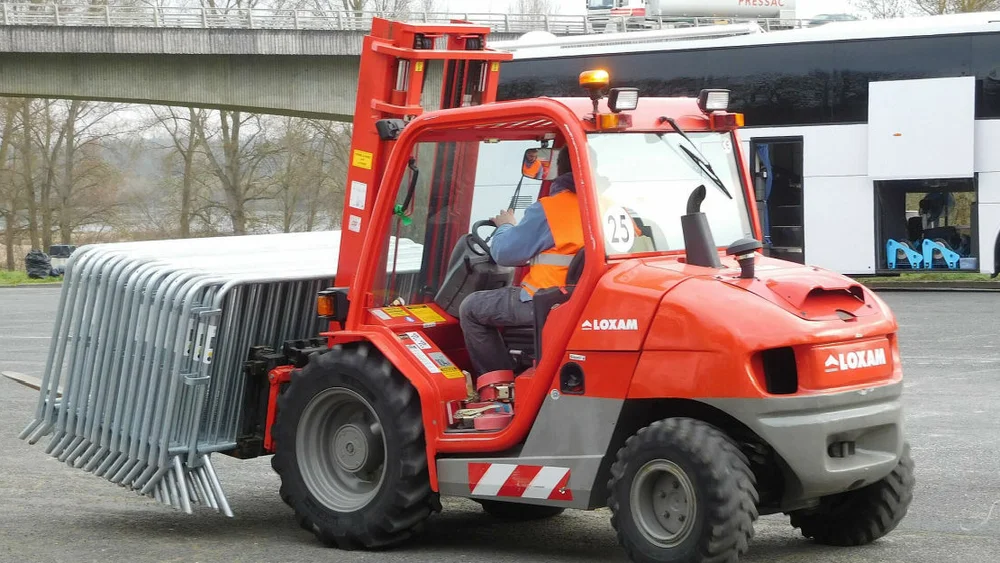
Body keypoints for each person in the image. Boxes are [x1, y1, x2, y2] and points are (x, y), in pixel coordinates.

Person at [459, 146, 583, 381]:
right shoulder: (609, 207)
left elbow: (504, 254)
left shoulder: (550, 210)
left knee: (472, 308)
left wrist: (506, 225)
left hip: (547, 300)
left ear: (560, 168)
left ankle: (498, 386)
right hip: (588, 301)